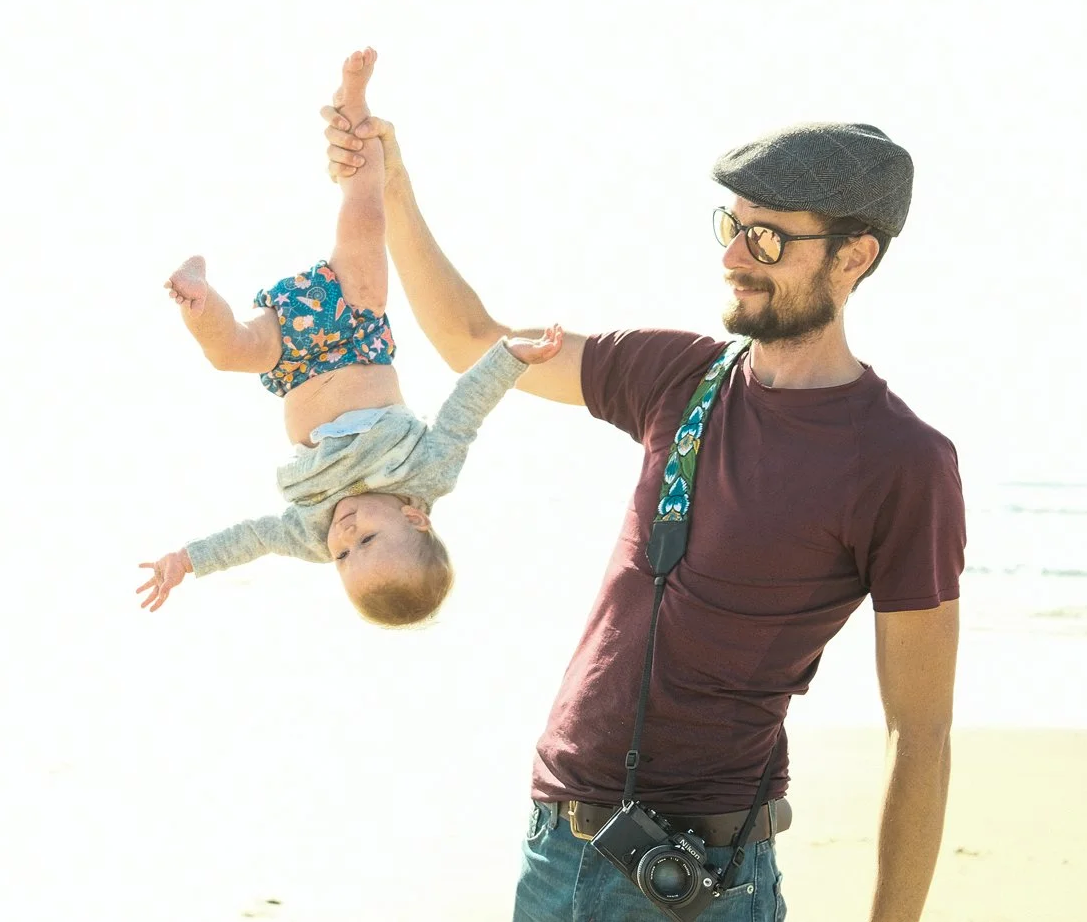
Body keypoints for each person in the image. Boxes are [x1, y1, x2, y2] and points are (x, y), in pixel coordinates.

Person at [321, 107, 963, 920]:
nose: (733, 255)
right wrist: (395, 183)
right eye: (734, 226)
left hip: (699, 881)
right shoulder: (678, 374)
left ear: (853, 256)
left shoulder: (903, 462)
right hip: (557, 847)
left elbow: (921, 732)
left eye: (768, 239)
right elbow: (471, 339)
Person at [136, 49, 563, 626]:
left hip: (291, 364)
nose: (344, 537)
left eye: (342, 557)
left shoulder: (308, 533)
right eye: (367, 542)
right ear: (416, 520)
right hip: (355, 327)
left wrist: (187, 562)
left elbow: (253, 538)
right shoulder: (431, 474)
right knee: (366, 216)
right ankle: (354, 108)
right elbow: (467, 409)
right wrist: (512, 358)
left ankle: (196, 296)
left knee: (229, 351)